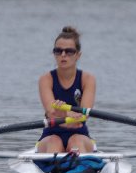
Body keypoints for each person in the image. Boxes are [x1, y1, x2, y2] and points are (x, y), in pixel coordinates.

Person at [37, 26, 96, 154]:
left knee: (76, 142)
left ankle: (77, 170)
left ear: (78, 55)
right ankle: (54, 170)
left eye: (69, 51)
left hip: (79, 134)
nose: (63, 55)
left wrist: (62, 113)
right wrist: (69, 116)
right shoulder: (46, 79)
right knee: (54, 142)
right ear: (54, 53)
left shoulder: (87, 79)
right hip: (51, 134)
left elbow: (84, 115)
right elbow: (50, 111)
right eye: (58, 51)